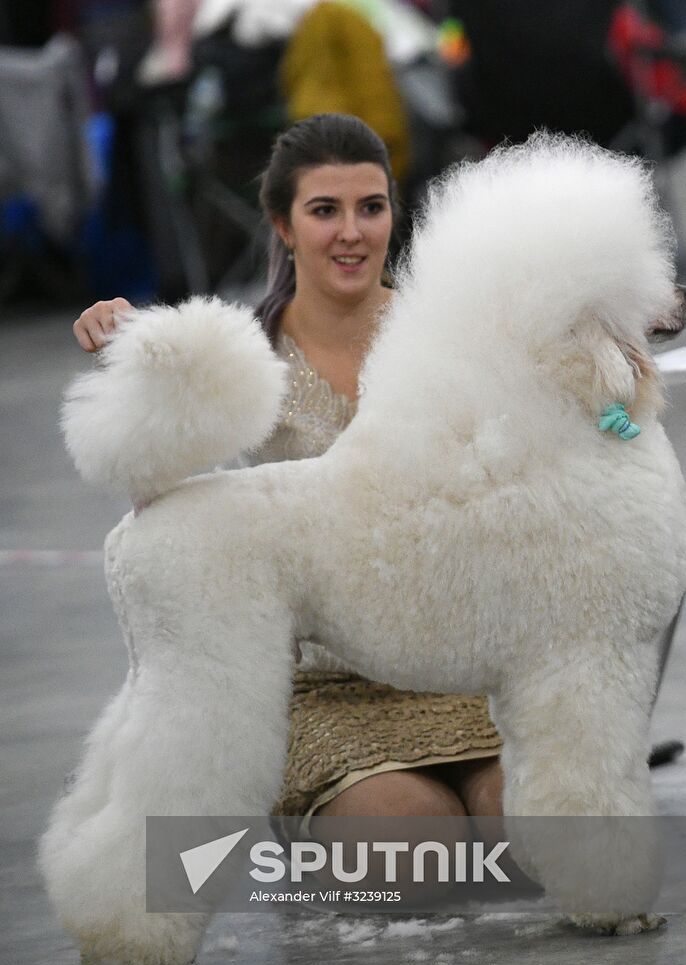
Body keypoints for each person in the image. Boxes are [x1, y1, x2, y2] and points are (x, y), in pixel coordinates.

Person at [72, 113, 504, 826]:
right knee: (413, 847)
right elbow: (162, 511)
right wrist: (133, 372)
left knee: (532, 830)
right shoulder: (235, 357)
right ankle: (301, 826)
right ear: (281, 225)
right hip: (320, 690)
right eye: (323, 211)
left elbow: (573, 435)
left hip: (461, 673)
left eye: (371, 207)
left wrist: (616, 402)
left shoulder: (455, 335)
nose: (352, 232)